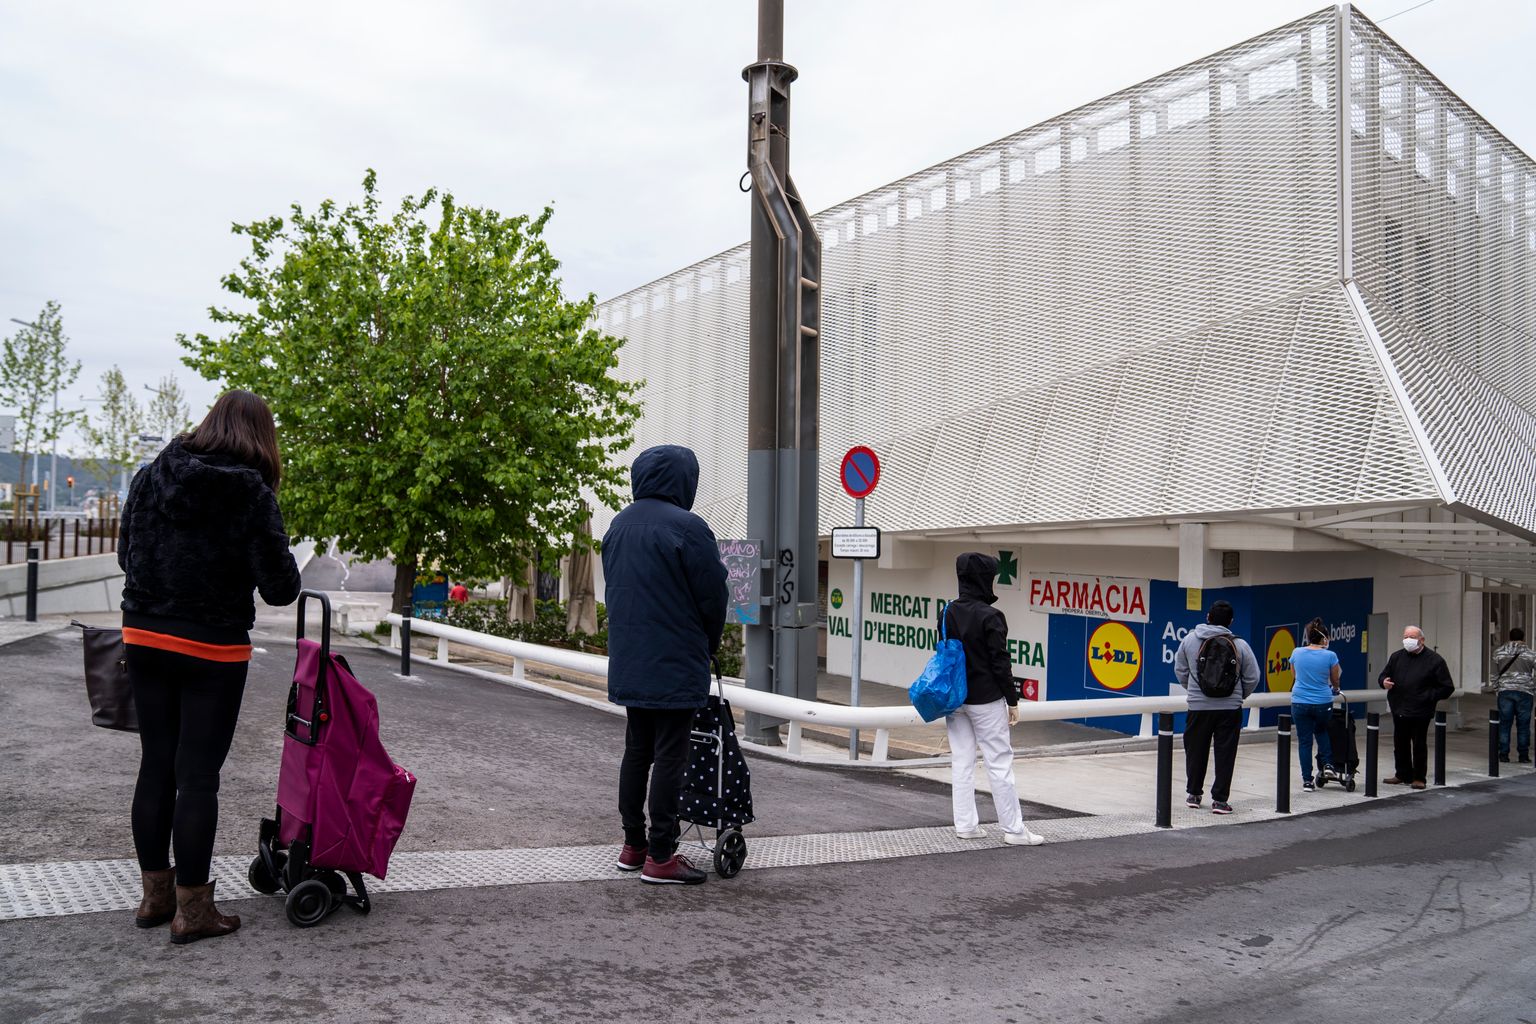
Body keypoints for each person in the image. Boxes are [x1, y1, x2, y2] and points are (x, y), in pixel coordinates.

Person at [118, 390, 302, 943]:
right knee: (197, 776)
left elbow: (127, 553)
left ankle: (155, 897)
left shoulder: (152, 475)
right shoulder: (249, 491)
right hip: (211, 648)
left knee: (156, 765)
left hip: (144, 634)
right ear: (260, 439)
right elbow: (281, 588)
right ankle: (194, 912)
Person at [601, 445, 728, 885]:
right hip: (675, 661)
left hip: (631, 659)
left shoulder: (618, 526)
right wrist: (709, 644)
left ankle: (633, 845)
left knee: (637, 751)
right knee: (672, 755)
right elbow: (713, 597)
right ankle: (661, 855)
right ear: (683, 481)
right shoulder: (689, 527)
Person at [942, 552, 1044, 846]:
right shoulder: (991, 616)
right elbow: (1000, 663)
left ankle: (966, 826)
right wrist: (1012, 701)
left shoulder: (947, 611)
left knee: (961, 761)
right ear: (984, 580)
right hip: (986, 699)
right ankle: (1014, 831)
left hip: (955, 698)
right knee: (998, 762)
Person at [1175, 600, 1260, 815]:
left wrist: (1195, 691)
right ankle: (1220, 801)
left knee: (1195, 749)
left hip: (1198, 707)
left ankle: (1194, 794)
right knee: (1225, 753)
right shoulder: (1240, 645)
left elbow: (1181, 670)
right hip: (1230, 708)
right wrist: (1239, 695)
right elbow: (1253, 677)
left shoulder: (1189, 640)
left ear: (1207, 617)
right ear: (1230, 622)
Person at [1377, 625, 1456, 789]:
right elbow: (1384, 674)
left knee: (1419, 744)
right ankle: (1402, 773)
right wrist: (1383, 681)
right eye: (1405, 636)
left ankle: (1419, 777)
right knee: (1400, 743)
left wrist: (1428, 697)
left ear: (1421, 640)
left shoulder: (1435, 660)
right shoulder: (1397, 657)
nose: (1407, 640)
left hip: (1421, 710)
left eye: (1411, 637)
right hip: (1399, 707)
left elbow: (1447, 687)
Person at [1290, 617, 1342, 792]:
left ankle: (1307, 781)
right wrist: (1335, 688)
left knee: (1304, 741)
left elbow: (1294, 675)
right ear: (1324, 638)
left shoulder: (1296, 652)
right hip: (1322, 701)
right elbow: (1335, 679)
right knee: (1321, 732)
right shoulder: (1330, 656)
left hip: (1299, 701)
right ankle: (1328, 764)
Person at [1489, 627, 1536, 764]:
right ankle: (1523, 756)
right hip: (1525, 692)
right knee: (1523, 725)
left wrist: (1498, 688)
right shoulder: (1531, 654)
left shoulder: (1498, 652)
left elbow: (1494, 674)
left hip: (1505, 691)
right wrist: (1532, 686)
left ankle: (1503, 754)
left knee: (1504, 724)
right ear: (1523, 638)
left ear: (1509, 637)